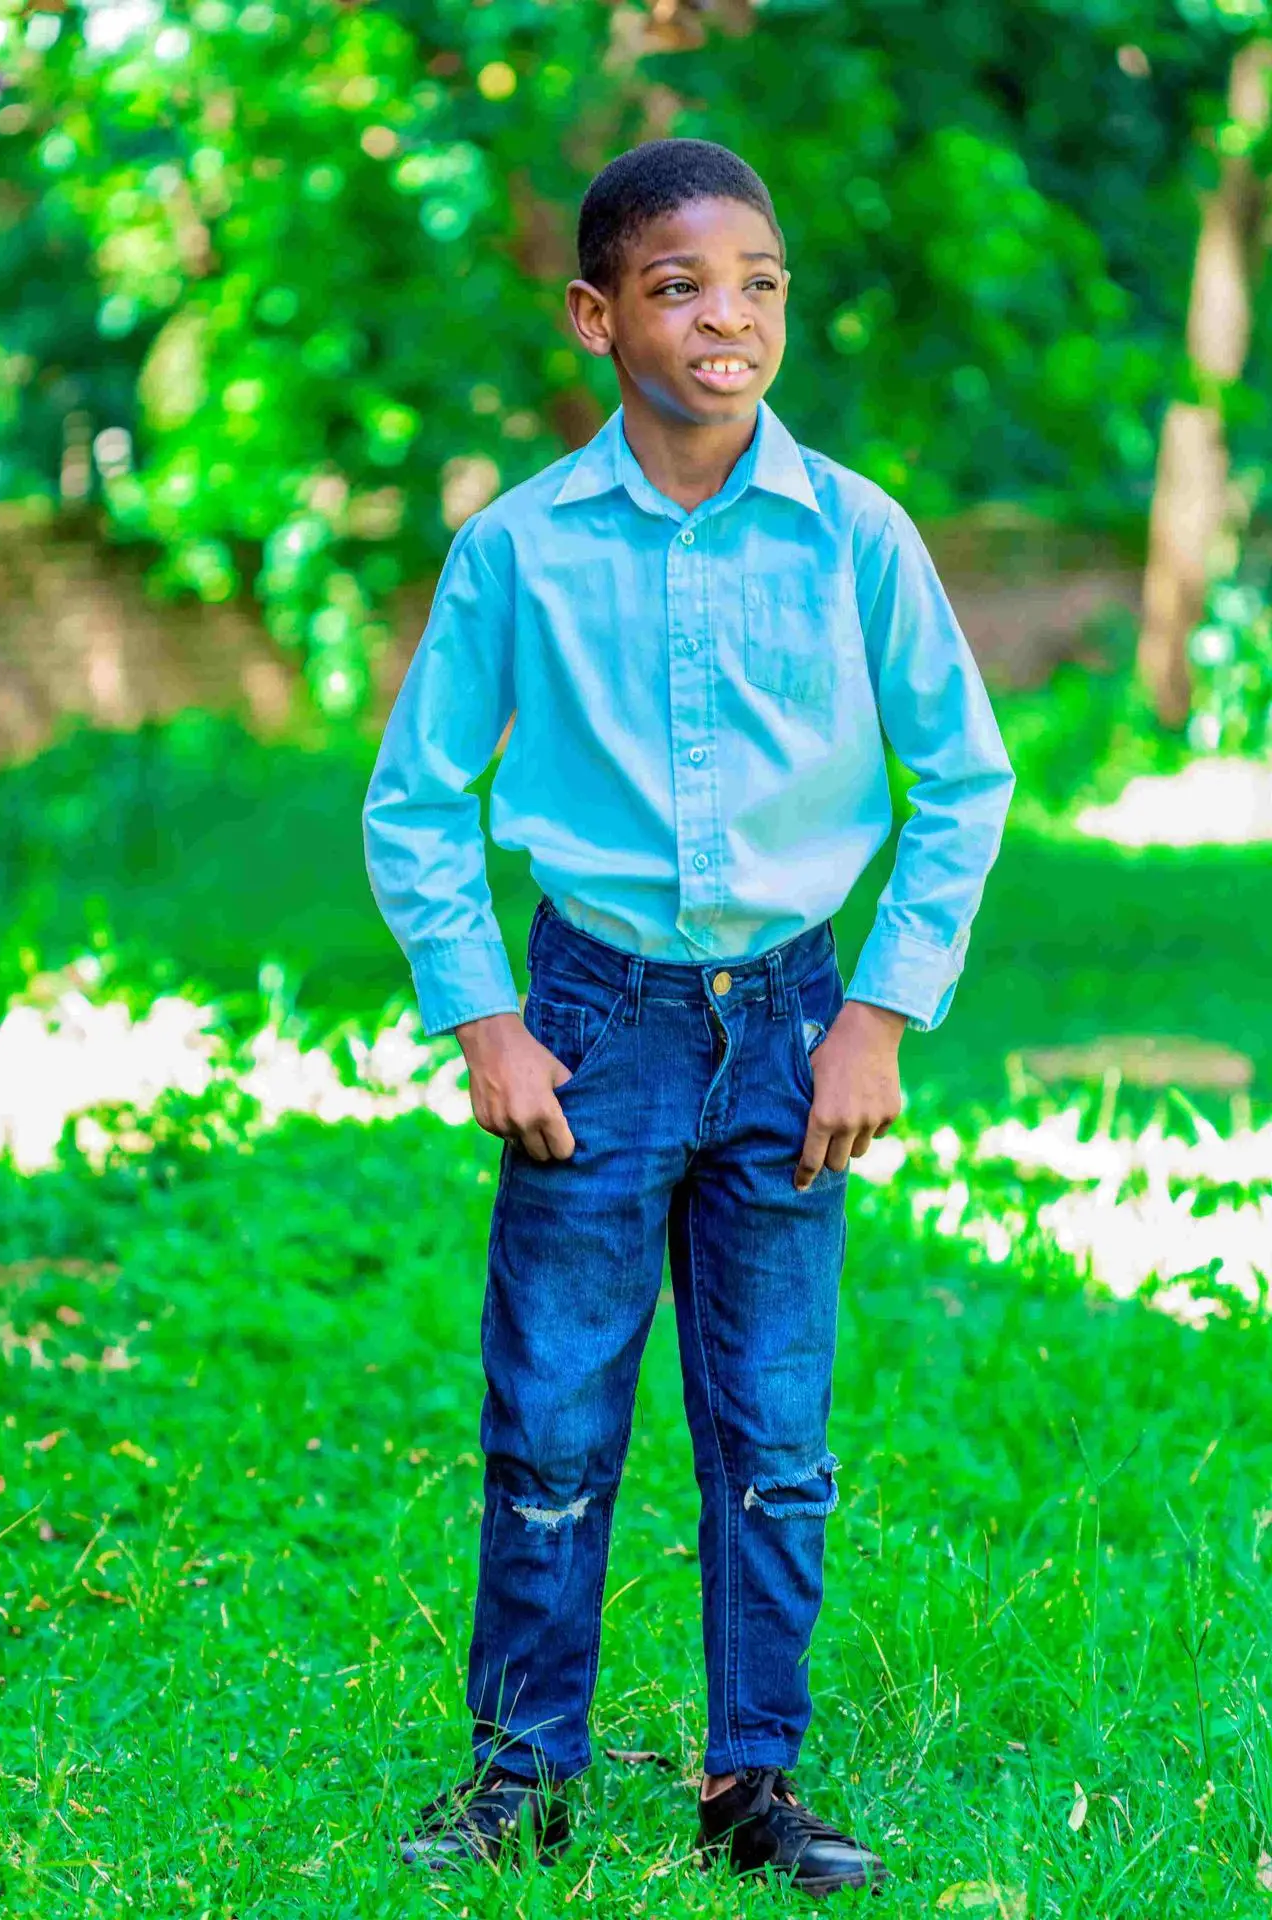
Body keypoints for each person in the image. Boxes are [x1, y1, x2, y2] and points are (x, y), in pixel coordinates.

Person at [363, 135, 1016, 1895]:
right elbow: (415, 801)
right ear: (597, 317)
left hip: (796, 1025)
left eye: (759, 286)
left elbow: (964, 778)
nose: (729, 318)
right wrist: (485, 1019)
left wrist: (879, 1013)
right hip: (592, 1023)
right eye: (680, 287)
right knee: (553, 1419)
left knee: (775, 1435)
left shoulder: (856, 533)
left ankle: (752, 1783)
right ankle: (522, 1775)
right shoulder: (519, 551)